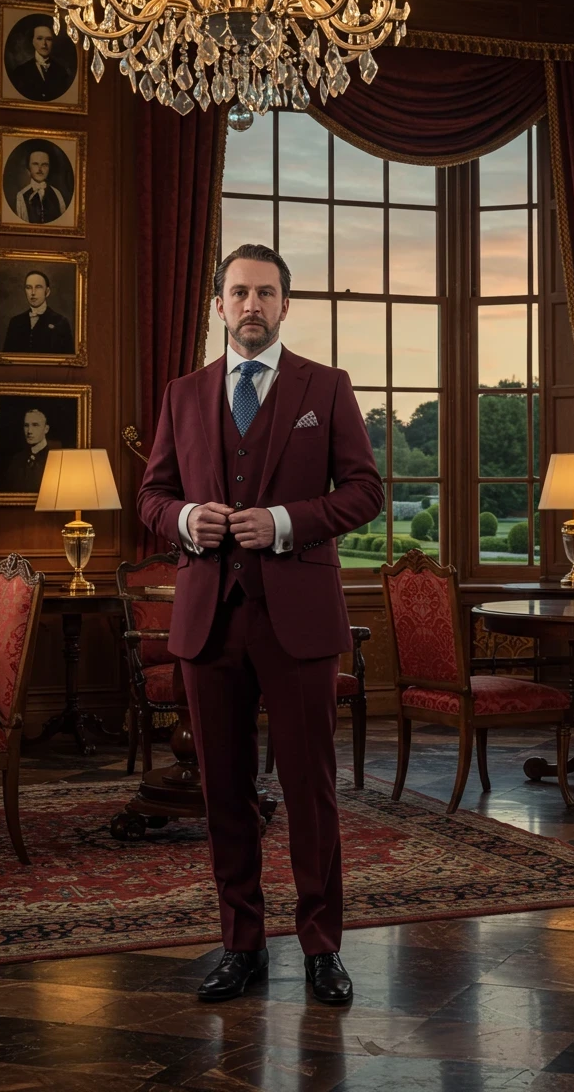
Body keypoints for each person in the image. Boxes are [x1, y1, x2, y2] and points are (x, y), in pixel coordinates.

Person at [138, 243, 383, 1007]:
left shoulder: (327, 387)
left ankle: (321, 948)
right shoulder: (184, 393)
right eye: (238, 292)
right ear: (218, 305)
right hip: (208, 620)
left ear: (285, 304)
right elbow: (150, 497)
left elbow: (367, 491)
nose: (251, 305)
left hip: (300, 621)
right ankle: (240, 943)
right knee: (225, 793)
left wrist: (281, 521)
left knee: (310, 790)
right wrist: (185, 519)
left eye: (265, 293)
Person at [2, 269, 74, 355]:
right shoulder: (15, 322)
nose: (33, 293)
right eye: (29, 288)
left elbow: (68, 359)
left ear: (47, 292)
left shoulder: (61, 322)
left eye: (38, 287)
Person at [8, 21, 71, 103]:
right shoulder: (20, 72)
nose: (44, 44)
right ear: (33, 41)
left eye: (48, 39)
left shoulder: (62, 72)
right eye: (39, 38)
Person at [3, 407, 62, 494]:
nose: (29, 431)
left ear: (46, 429)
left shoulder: (57, 460)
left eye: (35, 425)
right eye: (26, 425)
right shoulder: (17, 460)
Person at [13, 147, 68, 225]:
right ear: (29, 167)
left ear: (49, 168)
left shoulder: (57, 194)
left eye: (44, 165)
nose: (40, 169)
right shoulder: (21, 196)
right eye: (35, 164)